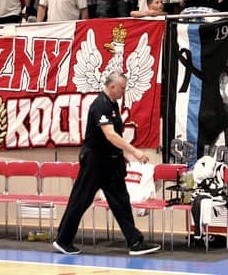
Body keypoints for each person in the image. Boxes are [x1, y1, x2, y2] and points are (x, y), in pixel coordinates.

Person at [53, 72, 160, 257]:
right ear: (112, 86)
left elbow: (114, 136)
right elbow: (110, 135)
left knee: (121, 201)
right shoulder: (100, 105)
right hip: (95, 162)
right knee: (81, 199)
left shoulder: (112, 104)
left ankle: (135, 242)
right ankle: (63, 240)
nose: (123, 92)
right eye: (122, 88)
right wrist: (134, 151)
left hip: (110, 162)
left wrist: (120, 155)